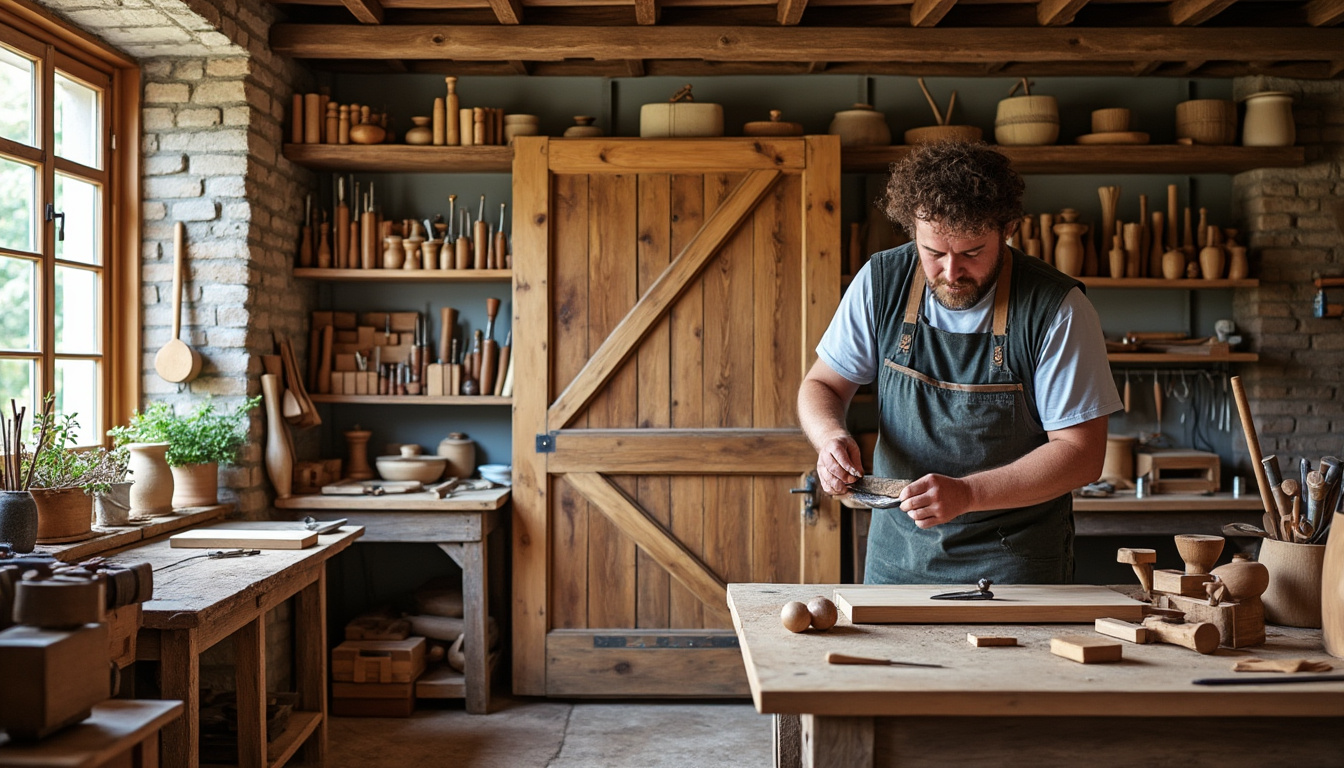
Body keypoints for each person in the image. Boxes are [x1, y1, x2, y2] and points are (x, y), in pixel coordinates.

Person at [797, 142, 1122, 584]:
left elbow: (1081, 455)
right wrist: (830, 438)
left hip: (1013, 566)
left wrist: (968, 493)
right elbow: (823, 386)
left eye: (971, 252)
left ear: (1006, 228)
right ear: (912, 228)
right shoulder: (879, 281)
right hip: (898, 561)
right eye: (933, 252)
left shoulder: (1057, 308)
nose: (951, 272)